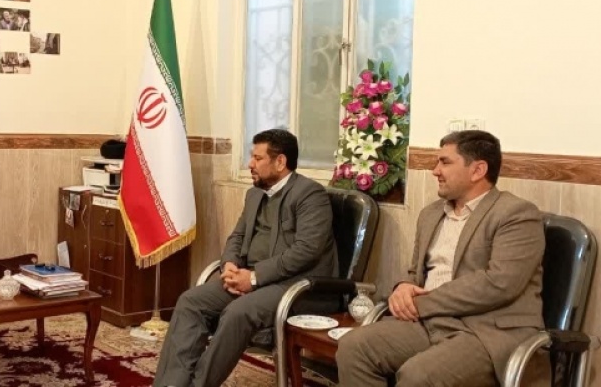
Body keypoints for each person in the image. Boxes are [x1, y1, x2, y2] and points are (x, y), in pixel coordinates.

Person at [336, 130, 546, 387]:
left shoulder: (516, 214)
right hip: (430, 322)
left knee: (418, 376)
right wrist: (403, 287)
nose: (435, 171)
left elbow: (499, 284)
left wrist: (422, 303)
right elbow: (415, 272)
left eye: (445, 162)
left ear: (478, 170)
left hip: (484, 331)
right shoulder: (431, 214)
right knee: (353, 347)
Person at [153, 129, 337, 387]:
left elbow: (306, 250)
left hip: (294, 286)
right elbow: (237, 237)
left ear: (280, 162)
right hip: (251, 278)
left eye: (257, 158)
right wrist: (229, 265)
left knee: (238, 312)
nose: (250, 164)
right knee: (190, 301)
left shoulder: (310, 194)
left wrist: (253, 277)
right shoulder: (255, 194)